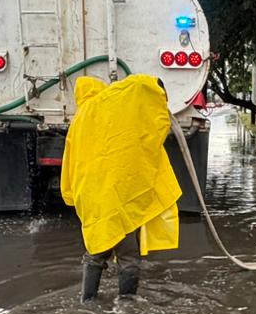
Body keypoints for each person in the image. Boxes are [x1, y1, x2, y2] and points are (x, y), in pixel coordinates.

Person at [61, 75, 181, 300]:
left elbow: (69, 164)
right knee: (128, 254)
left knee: (96, 249)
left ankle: (87, 302)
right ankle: (127, 303)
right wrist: (156, 85)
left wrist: (70, 196)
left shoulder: (78, 122)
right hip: (119, 196)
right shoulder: (113, 106)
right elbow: (136, 86)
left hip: (91, 198)